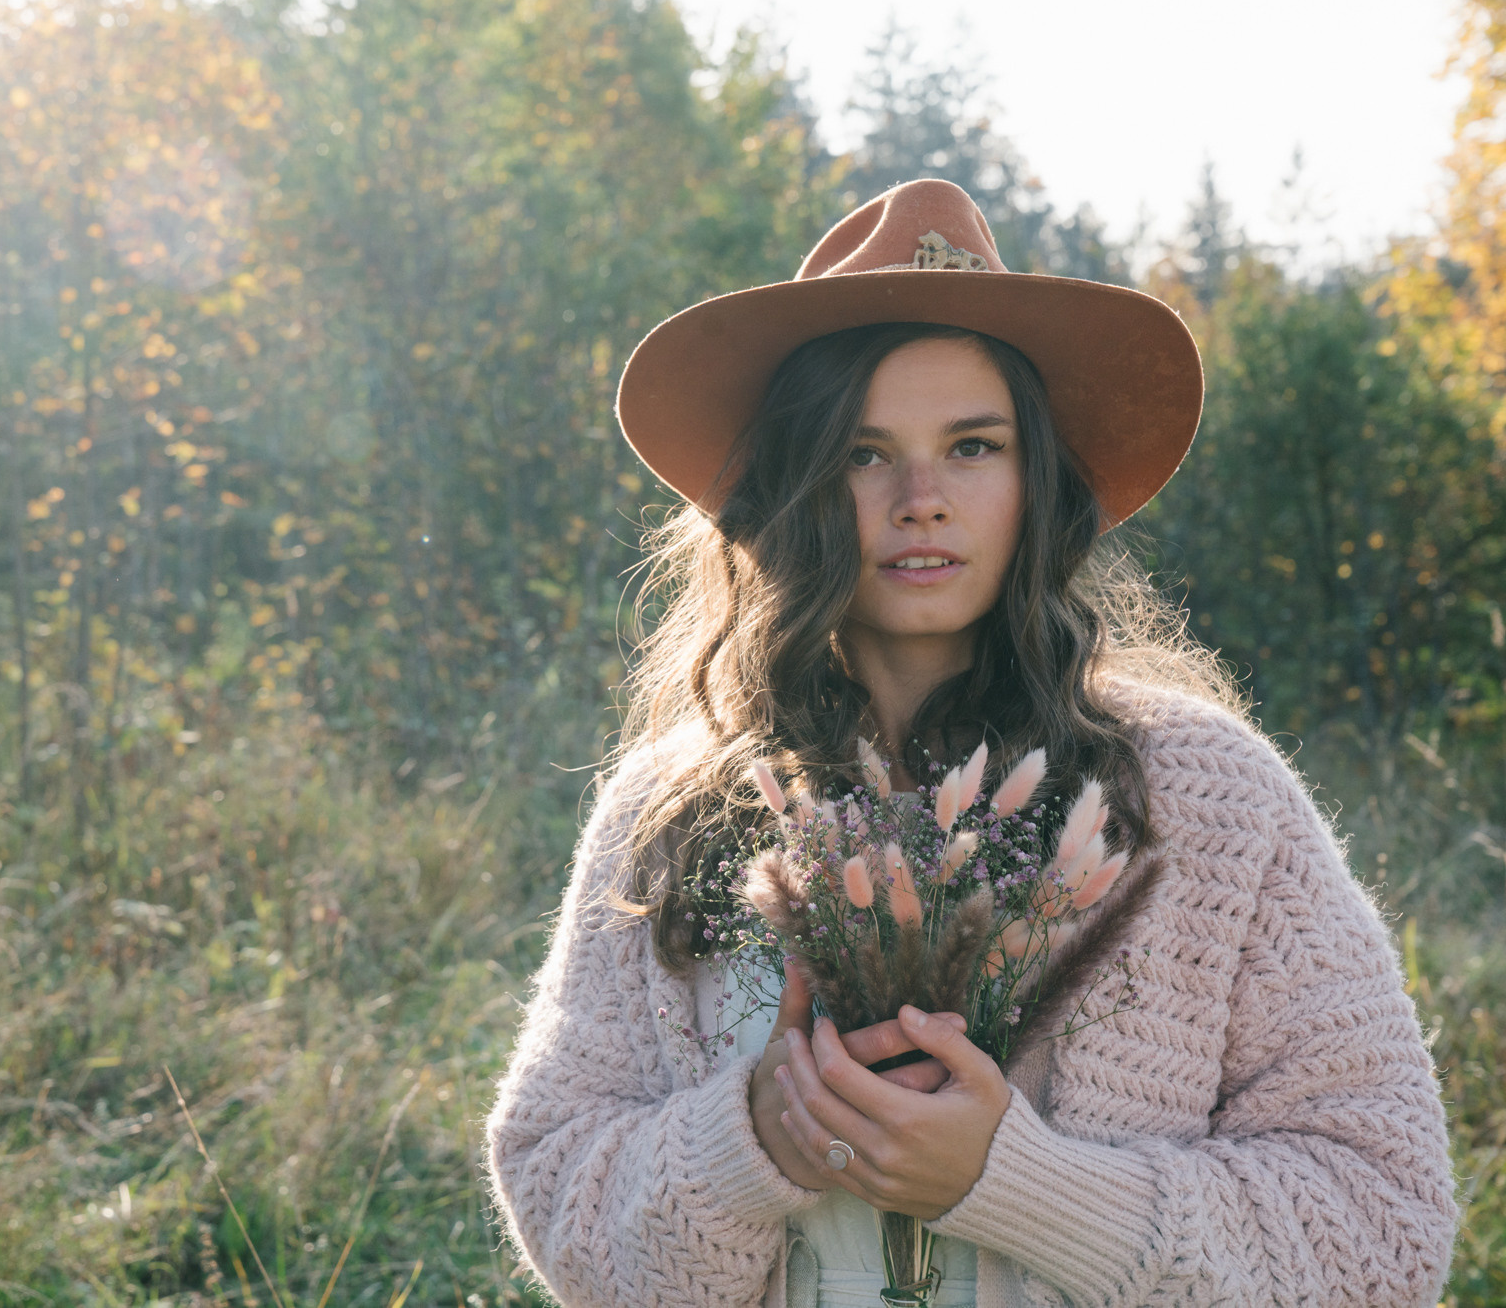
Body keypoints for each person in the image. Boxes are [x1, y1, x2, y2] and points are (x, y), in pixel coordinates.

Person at [483, 179, 1457, 1307]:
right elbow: (556, 1174)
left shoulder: (1205, 800)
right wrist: (746, 1143)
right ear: (792, 488)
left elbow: (1380, 1227)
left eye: (972, 445)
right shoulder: (676, 806)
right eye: (860, 453)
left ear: (1034, 480)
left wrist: (1014, 1180)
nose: (919, 498)